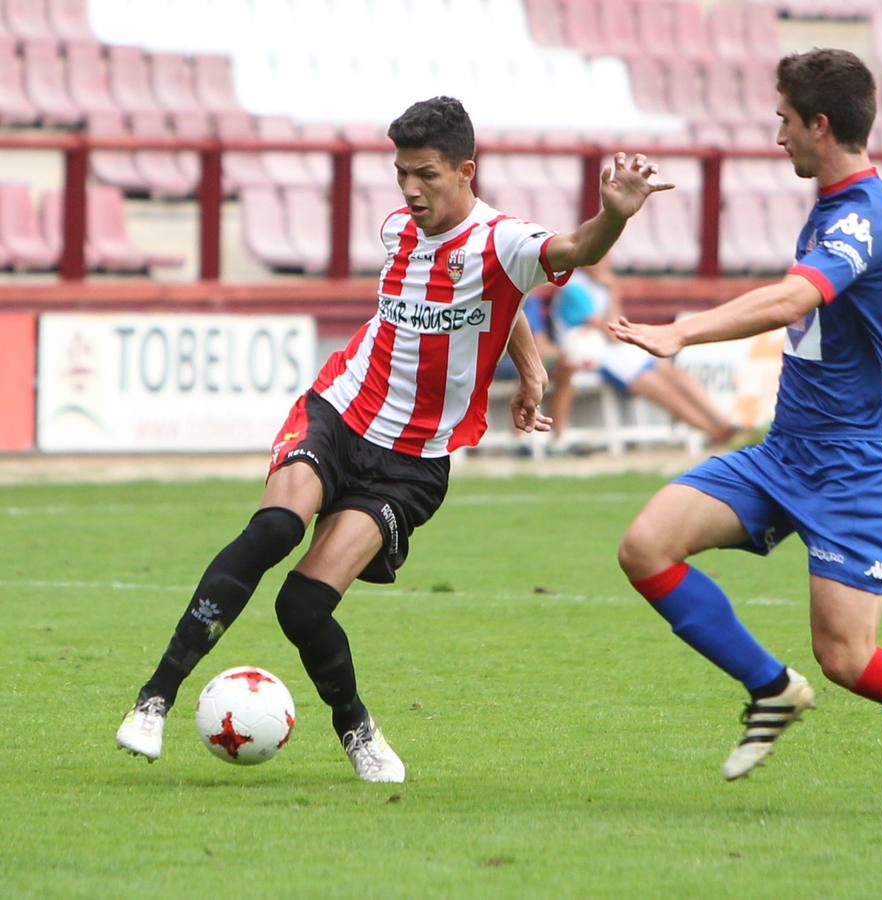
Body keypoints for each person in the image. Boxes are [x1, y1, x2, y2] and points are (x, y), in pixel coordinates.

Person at [115, 96, 672, 782]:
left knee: (303, 605)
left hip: (409, 465)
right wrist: (528, 364)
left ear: (467, 171)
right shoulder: (397, 230)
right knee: (272, 531)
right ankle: (154, 698)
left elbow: (569, 253)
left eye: (427, 174)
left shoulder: (503, 239)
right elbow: (485, 303)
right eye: (402, 172)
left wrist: (613, 214)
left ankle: (356, 726)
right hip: (339, 411)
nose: (411, 189)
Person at [608, 49, 882, 820]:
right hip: (786, 454)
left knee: (847, 657)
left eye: (783, 120)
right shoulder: (835, 201)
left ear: (819, 124)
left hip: (852, 470)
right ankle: (770, 688)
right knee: (645, 546)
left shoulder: (863, 217)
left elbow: (790, 299)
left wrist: (682, 332)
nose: (775, 135)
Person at [542, 257, 738, 451]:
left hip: (614, 351)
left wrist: (613, 291)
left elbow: (614, 327)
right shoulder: (574, 288)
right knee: (663, 391)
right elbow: (612, 334)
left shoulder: (600, 286)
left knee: (673, 374)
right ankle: (715, 432)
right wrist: (614, 293)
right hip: (595, 358)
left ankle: (724, 423)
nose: (605, 263)